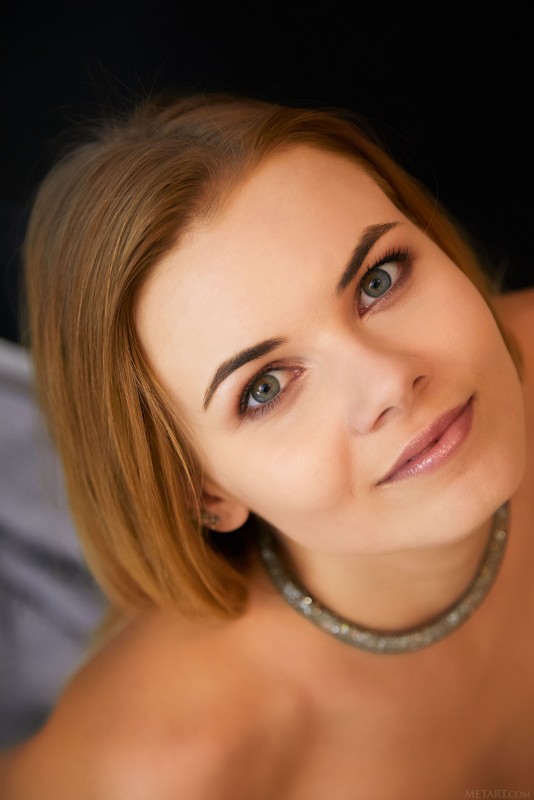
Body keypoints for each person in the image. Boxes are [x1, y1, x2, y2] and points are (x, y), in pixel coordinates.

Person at [1, 91, 533, 798]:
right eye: (266, 387)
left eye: (378, 280)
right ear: (203, 491)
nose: (388, 382)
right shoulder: (160, 770)